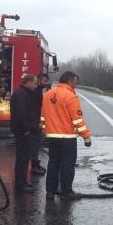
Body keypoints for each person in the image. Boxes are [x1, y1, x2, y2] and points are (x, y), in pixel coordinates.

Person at [41, 71, 92, 199]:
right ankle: (66, 191)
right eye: (75, 82)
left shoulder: (48, 94)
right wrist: (86, 136)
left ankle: (50, 192)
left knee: (53, 164)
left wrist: (45, 131)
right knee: (67, 165)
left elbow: (43, 117)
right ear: (69, 81)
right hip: (67, 137)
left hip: (52, 136)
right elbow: (77, 119)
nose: (76, 85)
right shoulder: (70, 96)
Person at [10, 74, 40, 192]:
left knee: (24, 158)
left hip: (24, 130)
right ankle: (20, 184)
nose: (36, 85)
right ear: (27, 82)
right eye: (34, 83)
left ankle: (22, 182)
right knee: (23, 158)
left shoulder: (24, 94)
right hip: (23, 132)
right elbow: (21, 114)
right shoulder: (21, 95)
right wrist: (27, 129)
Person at [29, 73, 51, 178]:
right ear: (38, 81)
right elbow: (36, 109)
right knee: (34, 145)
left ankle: (36, 164)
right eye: (45, 81)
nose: (46, 83)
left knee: (37, 145)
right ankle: (34, 166)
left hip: (38, 122)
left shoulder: (40, 91)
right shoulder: (36, 92)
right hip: (35, 123)